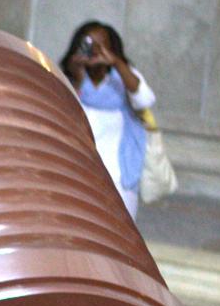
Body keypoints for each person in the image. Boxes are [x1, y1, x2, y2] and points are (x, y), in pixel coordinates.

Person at [59, 20, 157, 217]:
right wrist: (77, 76)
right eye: (88, 45)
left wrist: (117, 63)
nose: (95, 51)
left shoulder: (123, 78)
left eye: (101, 45)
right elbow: (66, 114)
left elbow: (145, 100)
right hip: (79, 171)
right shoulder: (68, 79)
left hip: (118, 174)